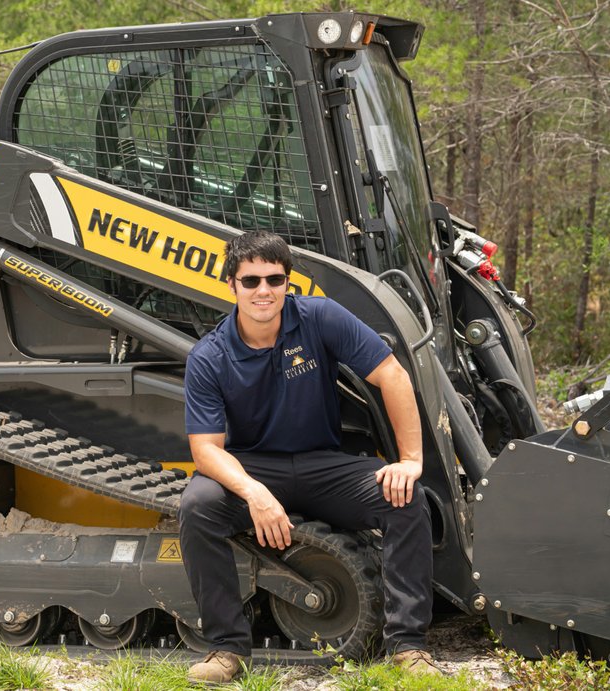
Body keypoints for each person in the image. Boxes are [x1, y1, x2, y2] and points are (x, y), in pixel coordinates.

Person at [178, 231, 437, 683]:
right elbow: (205, 450)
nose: (264, 291)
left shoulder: (319, 317)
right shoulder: (210, 356)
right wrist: (253, 492)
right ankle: (227, 650)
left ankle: (408, 647)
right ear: (231, 285)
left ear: (287, 282)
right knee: (198, 505)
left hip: (323, 465)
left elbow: (392, 375)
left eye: (274, 279)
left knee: (404, 497)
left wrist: (410, 459)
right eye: (251, 280)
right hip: (254, 468)